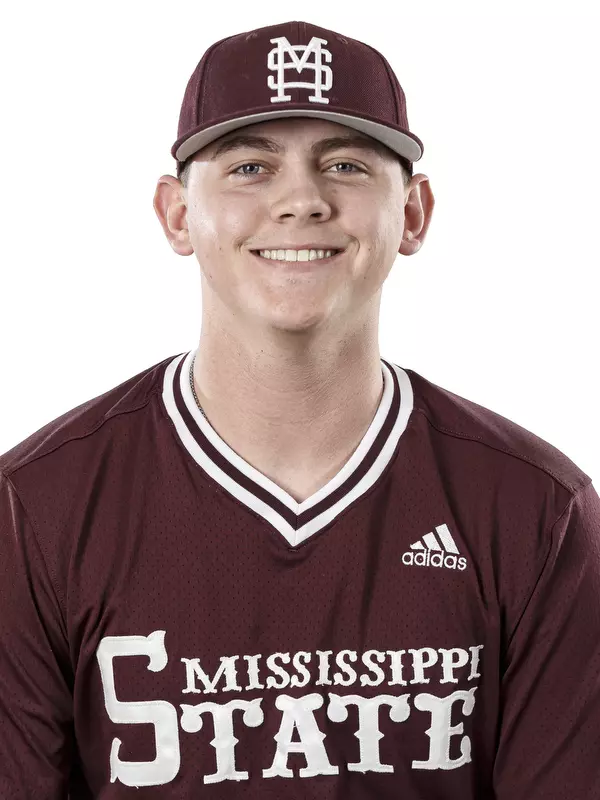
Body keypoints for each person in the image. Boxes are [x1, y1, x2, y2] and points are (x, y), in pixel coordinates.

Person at [0, 19, 598, 799]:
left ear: (412, 213)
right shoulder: (35, 508)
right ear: (177, 214)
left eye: (345, 164)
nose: (301, 201)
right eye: (250, 166)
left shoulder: (537, 508)